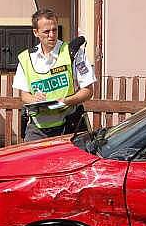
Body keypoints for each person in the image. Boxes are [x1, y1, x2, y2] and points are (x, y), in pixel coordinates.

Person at [13, 8, 96, 141]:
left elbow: (88, 91)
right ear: (36, 32)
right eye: (46, 32)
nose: (51, 35)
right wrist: (34, 99)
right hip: (37, 130)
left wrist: (66, 101)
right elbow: (24, 94)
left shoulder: (74, 53)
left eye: (55, 30)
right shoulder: (26, 58)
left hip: (70, 126)